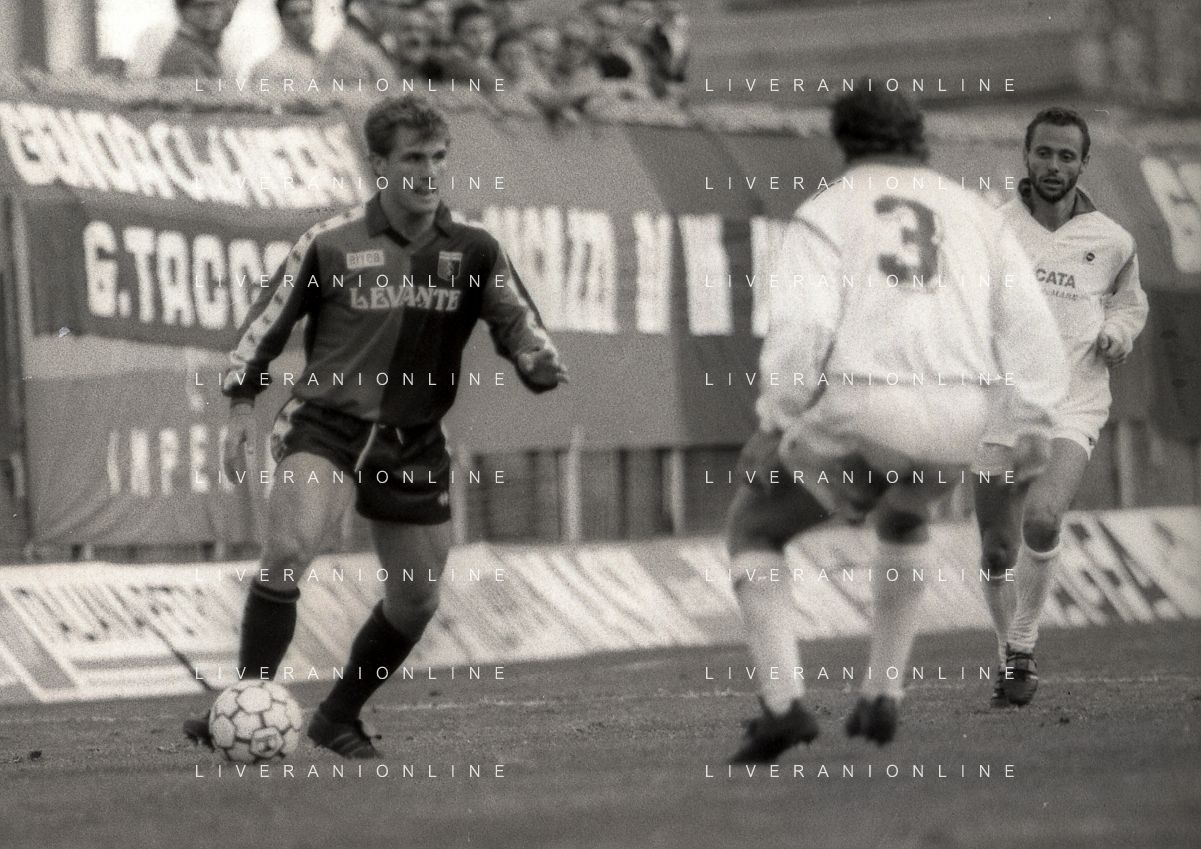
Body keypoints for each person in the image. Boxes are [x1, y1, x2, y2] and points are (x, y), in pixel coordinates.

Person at [183, 95, 568, 759]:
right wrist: (242, 404)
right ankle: (244, 703)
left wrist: (534, 357)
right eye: (413, 158)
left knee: (416, 599)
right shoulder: (330, 243)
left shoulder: (474, 248)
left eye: (438, 157)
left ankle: (337, 716)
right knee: (288, 551)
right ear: (379, 165)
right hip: (326, 427)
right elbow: (264, 324)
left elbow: (517, 321)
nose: (428, 171)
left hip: (412, 441)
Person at [724, 84, 1068, 762]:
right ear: (918, 138)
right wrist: (1035, 419)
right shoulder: (977, 213)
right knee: (904, 519)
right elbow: (1030, 323)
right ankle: (882, 694)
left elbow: (802, 329)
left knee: (754, 528)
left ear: (843, 139)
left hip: (870, 409)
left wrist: (774, 421)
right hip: (960, 418)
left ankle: (783, 707)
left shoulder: (827, 212)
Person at [975, 107, 1147, 708]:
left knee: (1044, 520)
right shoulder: (991, 230)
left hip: (1074, 402)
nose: (1054, 165)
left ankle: (1023, 646)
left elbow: (1129, 305)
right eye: (1044, 153)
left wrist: (1118, 333)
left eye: (1066, 155)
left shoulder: (1112, 240)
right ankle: (1007, 651)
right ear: (1026, 156)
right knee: (997, 552)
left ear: (1083, 163)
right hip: (999, 406)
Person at [157, 0, 235, 78]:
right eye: (204, 6)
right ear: (182, 10)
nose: (212, 12)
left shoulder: (202, 47)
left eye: (216, 5)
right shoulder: (183, 55)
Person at [249, 0, 324, 81]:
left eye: (307, 12)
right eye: (293, 15)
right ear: (282, 19)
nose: (303, 21)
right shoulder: (271, 68)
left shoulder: (324, 59)